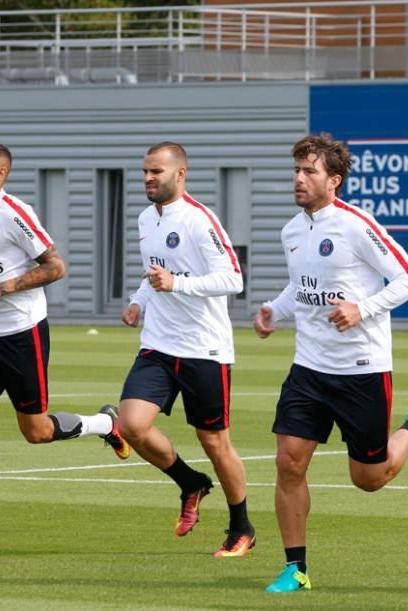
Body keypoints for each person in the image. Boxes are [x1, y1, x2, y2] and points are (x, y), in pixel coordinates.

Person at [254, 133, 408, 592]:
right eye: (296, 170)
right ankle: (296, 568)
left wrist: (363, 308)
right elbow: (303, 287)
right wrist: (274, 310)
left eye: (309, 171)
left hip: (361, 368)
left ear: (333, 180)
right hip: (309, 368)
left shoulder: (357, 225)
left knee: (368, 479)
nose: (299, 178)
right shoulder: (291, 231)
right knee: (289, 462)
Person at [0, 141, 130, 544]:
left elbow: (55, 266)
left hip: (23, 334)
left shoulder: (14, 213)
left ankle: (106, 423)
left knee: (36, 431)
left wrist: (3, 289)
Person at [114, 141, 256, 557]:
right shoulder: (145, 218)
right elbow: (154, 270)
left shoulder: (199, 220)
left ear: (180, 174)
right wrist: (140, 300)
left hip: (204, 350)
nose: (148, 179)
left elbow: (233, 279)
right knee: (132, 425)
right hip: (158, 345)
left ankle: (242, 527)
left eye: (156, 171)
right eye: (144, 172)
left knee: (215, 443)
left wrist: (178, 285)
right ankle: (190, 482)